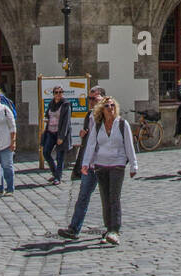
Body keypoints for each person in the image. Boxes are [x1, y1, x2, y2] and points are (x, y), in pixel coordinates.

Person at [81, 96, 137, 245]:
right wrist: (86, 163)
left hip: (118, 164)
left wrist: (133, 165)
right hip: (100, 165)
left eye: (112, 105)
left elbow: (129, 145)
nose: (110, 108)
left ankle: (115, 230)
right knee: (105, 198)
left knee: (114, 196)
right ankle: (108, 228)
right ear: (102, 110)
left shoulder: (122, 124)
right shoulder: (98, 126)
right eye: (107, 106)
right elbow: (91, 145)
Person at [58, 86, 107, 240]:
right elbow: (88, 142)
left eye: (95, 99)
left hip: (105, 163)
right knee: (83, 197)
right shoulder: (89, 115)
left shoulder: (109, 117)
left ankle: (112, 229)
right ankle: (74, 228)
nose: (91, 102)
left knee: (107, 198)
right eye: (89, 99)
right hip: (90, 163)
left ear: (103, 99)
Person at [42, 86, 72, 186]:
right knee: (46, 152)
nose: (58, 94)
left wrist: (61, 137)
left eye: (60, 92)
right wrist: (46, 118)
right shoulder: (51, 103)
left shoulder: (66, 105)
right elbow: (47, 114)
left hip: (60, 133)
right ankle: (55, 172)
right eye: (56, 92)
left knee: (60, 157)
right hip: (50, 132)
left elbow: (66, 122)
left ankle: (58, 177)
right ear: (53, 93)